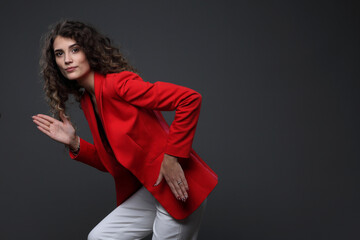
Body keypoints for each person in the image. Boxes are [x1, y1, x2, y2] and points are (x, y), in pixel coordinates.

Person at [32, 20, 218, 240]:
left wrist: (171, 158)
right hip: (152, 189)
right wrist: (75, 143)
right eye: (59, 54)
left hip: (178, 186)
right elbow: (113, 162)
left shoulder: (118, 85)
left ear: (89, 51)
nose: (67, 60)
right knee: (100, 237)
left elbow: (189, 99)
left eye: (75, 50)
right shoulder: (89, 101)